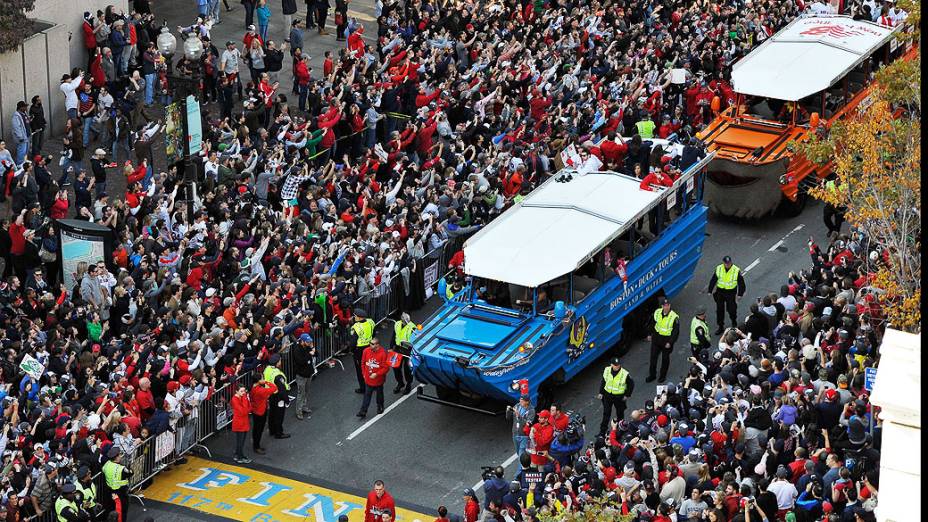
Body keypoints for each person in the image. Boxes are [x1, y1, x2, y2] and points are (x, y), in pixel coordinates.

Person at [708, 255, 746, 334]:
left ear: (731, 262)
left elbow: (741, 283)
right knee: (719, 310)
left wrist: (740, 294)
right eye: (726, 263)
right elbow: (714, 279)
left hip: (731, 293)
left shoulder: (736, 270)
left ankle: (734, 321)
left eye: (728, 263)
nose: (727, 264)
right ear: (723, 263)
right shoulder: (719, 268)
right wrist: (710, 290)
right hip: (720, 292)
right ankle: (720, 326)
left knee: (731, 309)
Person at [597, 357, 634, 436]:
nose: (617, 366)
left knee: (620, 414)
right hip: (607, 396)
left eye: (618, 365)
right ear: (611, 365)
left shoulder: (624, 373)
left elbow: (631, 384)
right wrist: (601, 392)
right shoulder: (607, 370)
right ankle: (602, 432)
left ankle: (620, 430)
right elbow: (603, 381)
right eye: (615, 365)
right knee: (606, 413)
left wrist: (627, 395)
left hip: (619, 397)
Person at [647, 297, 680, 383]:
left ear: (670, 305)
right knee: (653, 358)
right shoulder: (657, 312)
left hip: (667, 341)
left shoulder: (674, 317)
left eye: (668, 305)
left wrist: (670, 342)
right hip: (656, 339)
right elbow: (652, 324)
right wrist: (650, 334)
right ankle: (652, 375)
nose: (666, 307)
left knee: (665, 359)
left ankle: (662, 376)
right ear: (662, 306)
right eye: (665, 305)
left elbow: (675, 332)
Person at [357, 337, 389, 418]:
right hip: (368, 379)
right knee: (367, 395)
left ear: (377, 345)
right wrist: (364, 374)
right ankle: (363, 411)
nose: (370, 345)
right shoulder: (366, 351)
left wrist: (377, 374)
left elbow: (386, 368)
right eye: (370, 343)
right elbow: (363, 363)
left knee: (379, 394)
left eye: (372, 344)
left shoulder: (383, 353)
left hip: (378, 380)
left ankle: (380, 406)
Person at [263, 354, 291, 438]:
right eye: (280, 361)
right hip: (279, 397)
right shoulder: (278, 375)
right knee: (279, 416)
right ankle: (279, 433)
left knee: (272, 414)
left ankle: (272, 430)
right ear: (277, 363)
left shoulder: (267, 369)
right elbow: (282, 390)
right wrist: (287, 400)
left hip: (270, 395)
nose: (280, 362)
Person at [292, 332, 318, 419]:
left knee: (306, 391)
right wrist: (309, 354)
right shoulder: (297, 349)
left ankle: (304, 406)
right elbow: (301, 361)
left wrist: (313, 348)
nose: (309, 343)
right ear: (302, 341)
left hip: (308, 373)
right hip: (301, 375)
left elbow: (316, 354)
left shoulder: (308, 346)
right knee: (301, 393)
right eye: (307, 342)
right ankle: (298, 411)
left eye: (309, 342)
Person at [505, 394, 535, 467]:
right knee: (518, 453)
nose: (520, 401)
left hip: (524, 435)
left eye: (522, 400)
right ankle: (526, 465)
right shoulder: (517, 406)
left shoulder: (531, 411)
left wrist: (519, 416)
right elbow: (508, 418)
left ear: (527, 402)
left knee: (521, 455)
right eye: (520, 400)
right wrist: (508, 411)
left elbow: (528, 424)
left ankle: (521, 471)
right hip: (515, 433)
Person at [102, 447, 131, 520]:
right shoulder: (121, 469)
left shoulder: (106, 464)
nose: (120, 457)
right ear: (116, 457)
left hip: (109, 492)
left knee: (111, 510)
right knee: (122, 511)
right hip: (120, 493)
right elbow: (131, 472)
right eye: (119, 455)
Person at [351, 308, 375, 394]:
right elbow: (374, 333)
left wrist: (352, 350)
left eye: (355, 316)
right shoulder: (371, 322)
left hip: (359, 350)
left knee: (360, 370)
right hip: (370, 347)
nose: (354, 317)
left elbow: (353, 341)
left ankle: (363, 388)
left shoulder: (356, 327)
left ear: (359, 317)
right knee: (371, 366)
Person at [250, 378, 277, 454]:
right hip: (261, 411)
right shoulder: (260, 390)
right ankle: (256, 447)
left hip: (255, 410)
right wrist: (266, 382)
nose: (263, 379)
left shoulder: (253, 387)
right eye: (261, 378)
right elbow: (274, 388)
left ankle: (256, 444)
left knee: (256, 429)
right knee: (259, 430)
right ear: (258, 380)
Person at [391, 312, 415, 394]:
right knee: (395, 367)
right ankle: (400, 383)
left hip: (408, 350)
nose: (405, 320)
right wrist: (391, 347)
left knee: (407, 369)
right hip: (398, 348)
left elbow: (414, 341)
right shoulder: (397, 324)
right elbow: (394, 336)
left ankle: (408, 385)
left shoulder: (412, 327)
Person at [231, 384, 253, 463]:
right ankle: (240, 457)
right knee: (240, 441)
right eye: (241, 391)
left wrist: (246, 401)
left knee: (242, 441)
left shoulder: (242, 398)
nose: (243, 393)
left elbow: (250, 408)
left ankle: (238, 454)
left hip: (244, 422)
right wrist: (245, 399)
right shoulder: (235, 399)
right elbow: (244, 411)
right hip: (239, 423)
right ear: (236, 391)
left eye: (244, 391)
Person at [11, 100, 30, 166]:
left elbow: (26, 122)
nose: (26, 108)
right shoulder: (16, 116)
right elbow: (16, 127)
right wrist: (20, 137)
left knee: (26, 151)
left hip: (27, 136)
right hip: (22, 138)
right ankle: (19, 165)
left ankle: (24, 164)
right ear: (20, 107)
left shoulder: (24, 113)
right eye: (25, 107)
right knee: (21, 152)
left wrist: (30, 119)